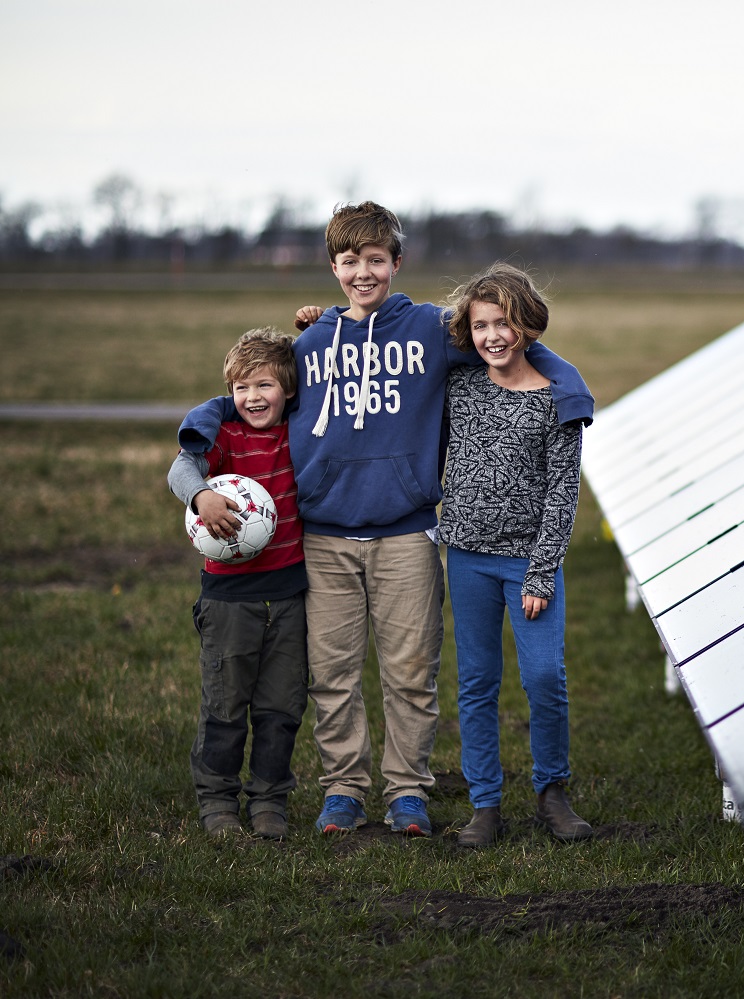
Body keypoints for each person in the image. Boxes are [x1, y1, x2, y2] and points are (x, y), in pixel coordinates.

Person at [178, 202, 593, 837]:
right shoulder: (312, 342)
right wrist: (199, 428)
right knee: (334, 673)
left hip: (406, 531)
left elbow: (515, 348)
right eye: (350, 261)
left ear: (396, 263)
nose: (363, 273)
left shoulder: (432, 329)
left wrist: (573, 393)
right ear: (334, 268)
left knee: (409, 672)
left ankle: (408, 793)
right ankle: (343, 789)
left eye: (376, 259)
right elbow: (248, 391)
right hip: (326, 536)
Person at [438, 264, 593, 847]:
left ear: (526, 325)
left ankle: (552, 791)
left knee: (544, 678)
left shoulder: (559, 400)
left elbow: (562, 493)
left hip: (528, 564)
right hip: (468, 558)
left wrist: (541, 571)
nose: (492, 336)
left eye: (503, 322)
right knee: (476, 682)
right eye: (480, 326)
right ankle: (485, 804)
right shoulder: (461, 387)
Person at [169, 328, 307, 840]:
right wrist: (201, 497)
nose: (253, 397)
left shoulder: (301, 432)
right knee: (225, 709)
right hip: (228, 602)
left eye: (265, 385)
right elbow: (180, 470)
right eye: (242, 387)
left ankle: (269, 800)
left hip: (290, 598)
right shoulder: (222, 439)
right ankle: (217, 801)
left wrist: (316, 330)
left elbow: (330, 376)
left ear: (289, 390)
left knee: (281, 708)